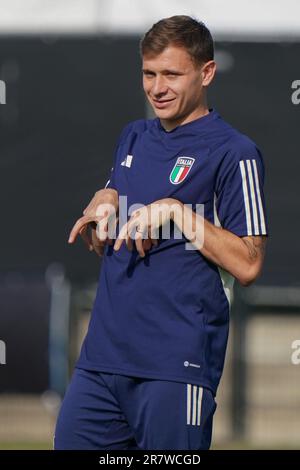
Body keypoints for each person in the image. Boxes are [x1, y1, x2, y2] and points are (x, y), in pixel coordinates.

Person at [54, 15, 268, 450]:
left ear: (206, 73)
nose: (157, 87)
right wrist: (105, 204)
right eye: (149, 74)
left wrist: (175, 211)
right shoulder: (133, 136)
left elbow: (249, 263)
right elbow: (124, 208)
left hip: (174, 366)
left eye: (171, 74)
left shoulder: (235, 152)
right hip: (100, 363)